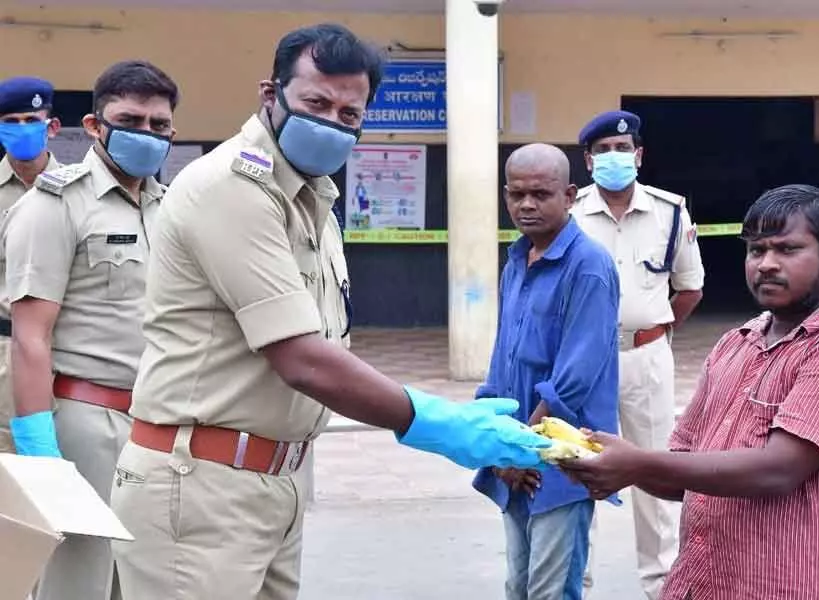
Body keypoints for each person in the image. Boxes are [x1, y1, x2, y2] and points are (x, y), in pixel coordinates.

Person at [108, 23, 550, 600]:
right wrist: (434, 420)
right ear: (271, 94)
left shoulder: (314, 198)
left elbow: (329, 343)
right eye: (316, 102)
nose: (332, 122)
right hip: (201, 485)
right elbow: (302, 360)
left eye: (350, 113)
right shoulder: (231, 187)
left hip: (274, 479)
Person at [562, 185, 819, 600]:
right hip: (710, 583)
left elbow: (778, 470)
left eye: (787, 250)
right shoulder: (735, 345)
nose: (767, 264)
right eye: (756, 251)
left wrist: (635, 464)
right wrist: (608, 462)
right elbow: (682, 476)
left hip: (801, 585)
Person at [3, 61, 179, 600]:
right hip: (87, 421)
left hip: (157, 423)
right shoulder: (56, 203)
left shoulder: (169, 207)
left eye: (158, 124)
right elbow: (31, 335)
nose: (144, 133)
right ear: (95, 124)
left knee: (141, 579)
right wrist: (40, 449)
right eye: (129, 119)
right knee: (78, 583)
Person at [472, 143, 620, 600]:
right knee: (518, 587)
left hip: (556, 461)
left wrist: (521, 450)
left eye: (541, 193)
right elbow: (503, 362)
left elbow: (575, 378)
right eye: (516, 195)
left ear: (570, 195)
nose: (527, 205)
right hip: (513, 458)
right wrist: (497, 445)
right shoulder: (517, 261)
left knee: (551, 592)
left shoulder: (589, 265)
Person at [569, 110, 704, 599]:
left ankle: (662, 585)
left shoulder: (670, 212)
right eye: (602, 151)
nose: (613, 158)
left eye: (622, 149)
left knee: (654, 469)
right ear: (587, 160)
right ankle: (574, 584)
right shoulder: (571, 213)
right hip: (584, 361)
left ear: (639, 156)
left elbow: (689, 288)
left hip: (647, 357)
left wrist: (653, 333)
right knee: (579, 468)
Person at [0, 76, 62, 454]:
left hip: (68, 352)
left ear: (52, 126)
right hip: (5, 349)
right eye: (12, 121)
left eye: (31, 120)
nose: (22, 129)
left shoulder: (77, 188)